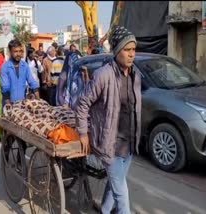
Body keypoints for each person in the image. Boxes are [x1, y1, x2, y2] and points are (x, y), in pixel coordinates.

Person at [75, 26, 142, 214]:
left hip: (128, 143)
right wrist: (83, 134)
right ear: (116, 50)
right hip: (108, 143)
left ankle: (104, 211)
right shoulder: (103, 75)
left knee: (116, 185)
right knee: (122, 195)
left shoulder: (136, 75)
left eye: (133, 50)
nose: (131, 55)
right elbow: (83, 104)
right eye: (127, 50)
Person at [0, 39, 40, 106]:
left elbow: (32, 82)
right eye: (15, 51)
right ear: (10, 52)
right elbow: (5, 88)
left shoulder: (25, 66)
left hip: (22, 103)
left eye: (20, 51)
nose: (18, 54)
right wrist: (8, 106)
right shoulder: (5, 67)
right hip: (9, 103)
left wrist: (39, 101)